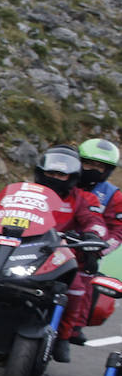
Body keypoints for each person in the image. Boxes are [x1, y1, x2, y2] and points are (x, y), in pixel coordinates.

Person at [0, 146, 105, 362]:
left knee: (75, 287)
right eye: (51, 173)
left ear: (72, 176)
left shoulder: (83, 199)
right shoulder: (23, 191)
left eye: (61, 174)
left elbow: (95, 222)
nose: (55, 177)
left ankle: (64, 336)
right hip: (17, 245)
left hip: (56, 251)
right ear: (41, 171)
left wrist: (93, 236)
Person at [63, 138, 122, 345]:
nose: (94, 170)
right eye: (89, 164)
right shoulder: (61, 178)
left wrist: (97, 251)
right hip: (50, 240)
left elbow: (118, 230)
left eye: (101, 167)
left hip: (85, 249)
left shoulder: (113, 195)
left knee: (85, 277)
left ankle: (71, 330)